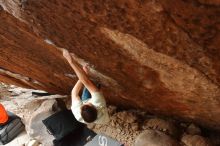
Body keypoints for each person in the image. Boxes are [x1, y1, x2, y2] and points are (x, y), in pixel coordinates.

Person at [63, 49, 109, 124]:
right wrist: (71, 62)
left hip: (92, 109)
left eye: (84, 104)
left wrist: (83, 73)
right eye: (89, 103)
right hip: (103, 118)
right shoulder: (99, 103)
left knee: (86, 93)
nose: (86, 103)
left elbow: (74, 93)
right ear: (95, 107)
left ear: (80, 110)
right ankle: (97, 86)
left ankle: (95, 88)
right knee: (95, 87)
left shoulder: (78, 114)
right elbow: (86, 81)